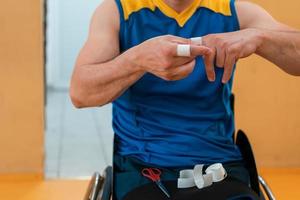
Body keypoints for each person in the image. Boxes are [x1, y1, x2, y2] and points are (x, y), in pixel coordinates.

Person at [70, 0, 300, 199]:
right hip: (142, 168)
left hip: (221, 166)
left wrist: (260, 37)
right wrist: (137, 59)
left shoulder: (234, 11)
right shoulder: (117, 11)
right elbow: (80, 93)